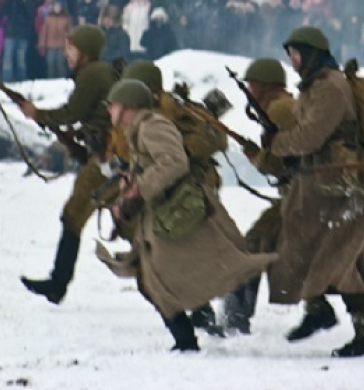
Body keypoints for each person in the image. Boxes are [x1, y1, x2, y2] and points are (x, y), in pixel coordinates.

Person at [96, 79, 275, 352]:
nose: (110, 110)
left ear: (128, 106)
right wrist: (129, 183)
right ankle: (186, 340)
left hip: (178, 210)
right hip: (166, 212)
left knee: (156, 279)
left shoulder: (152, 126)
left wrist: (138, 190)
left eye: (113, 105)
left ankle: (187, 341)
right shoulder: (140, 129)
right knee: (152, 280)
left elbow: (174, 161)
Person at [264, 26, 364, 357]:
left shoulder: (329, 88)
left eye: (296, 54)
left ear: (312, 53)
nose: (293, 60)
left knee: (338, 257)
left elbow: (310, 136)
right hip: (324, 183)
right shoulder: (314, 86)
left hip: (342, 184)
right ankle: (321, 312)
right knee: (314, 248)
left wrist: (278, 144)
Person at [118, 59, 229, 336]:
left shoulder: (165, 112)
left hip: (190, 188)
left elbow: (194, 148)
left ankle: (204, 315)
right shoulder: (151, 112)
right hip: (170, 188)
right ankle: (202, 312)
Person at [19, 25, 117, 304]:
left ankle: (58, 283)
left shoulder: (92, 74)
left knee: (74, 216)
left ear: (85, 51)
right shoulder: (98, 72)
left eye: (70, 48)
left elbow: (72, 112)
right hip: (105, 155)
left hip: (106, 159)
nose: (65, 54)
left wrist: (37, 113)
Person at [223, 57, 296, 335]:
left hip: (300, 195)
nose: (250, 89)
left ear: (266, 86)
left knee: (253, 242)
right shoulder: (279, 107)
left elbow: (284, 158)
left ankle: (235, 318)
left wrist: (259, 158)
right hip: (296, 194)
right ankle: (236, 317)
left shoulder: (280, 110)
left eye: (253, 84)